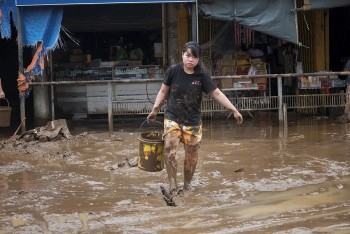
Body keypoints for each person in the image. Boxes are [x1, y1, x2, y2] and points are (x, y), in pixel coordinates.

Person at [147, 41, 243, 194]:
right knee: (170, 148)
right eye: (188, 55)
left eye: (194, 57)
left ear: (198, 60)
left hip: (193, 122)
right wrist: (155, 109)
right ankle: (172, 184)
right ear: (183, 55)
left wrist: (234, 110)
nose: (190, 60)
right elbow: (163, 92)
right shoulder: (173, 71)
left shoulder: (202, 76)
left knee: (191, 157)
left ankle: (186, 185)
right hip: (173, 117)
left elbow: (217, 93)